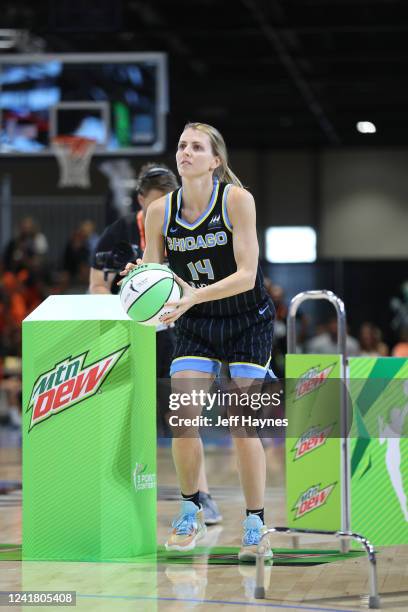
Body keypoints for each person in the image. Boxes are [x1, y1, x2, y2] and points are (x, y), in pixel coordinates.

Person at [121, 123, 276, 561]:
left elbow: (247, 275)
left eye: (196, 147)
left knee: (243, 424)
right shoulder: (159, 212)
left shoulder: (236, 201)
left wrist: (192, 295)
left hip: (248, 320)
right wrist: (142, 280)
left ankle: (255, 523)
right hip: (195, 323)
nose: (185, 152)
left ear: (216, 161)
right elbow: (155, 273)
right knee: (183, 417)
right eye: (181, 146)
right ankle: (189, 510)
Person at [89, 162, 222, 525]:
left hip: (178, 337)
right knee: (126, 420)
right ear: (140, 202)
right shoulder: (118, 235)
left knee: (183, 417)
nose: (162, 210)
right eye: (154, 204)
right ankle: (121, 497)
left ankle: (202, 496)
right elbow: (97, 285)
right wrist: (130, 301)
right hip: (129, 339)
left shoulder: (185, 230)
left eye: (169, 201)